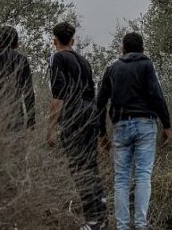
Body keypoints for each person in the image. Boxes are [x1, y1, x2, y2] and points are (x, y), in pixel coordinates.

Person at [97, 32, 172, 230]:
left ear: (122, 48)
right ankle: (140, 224)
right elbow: (156, 95)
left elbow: (100, 103)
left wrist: (102, 133)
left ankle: (122, 226)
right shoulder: (146, 65)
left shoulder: (111, 69)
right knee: (143, 175)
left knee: (121, 178)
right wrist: (167, 124)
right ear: (142, 48)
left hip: (121, 126)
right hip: (145, 124)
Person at [46, 22, 106, 230]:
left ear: (55, 40)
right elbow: (92, 93)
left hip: (73, 114)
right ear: (72, 40)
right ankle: (100, 214)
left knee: (78, 166)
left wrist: (51, 128)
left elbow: (58, 95)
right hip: (91, 112)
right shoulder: (85, 61)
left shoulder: (57, 58)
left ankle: (92, 221)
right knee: (90, 165)